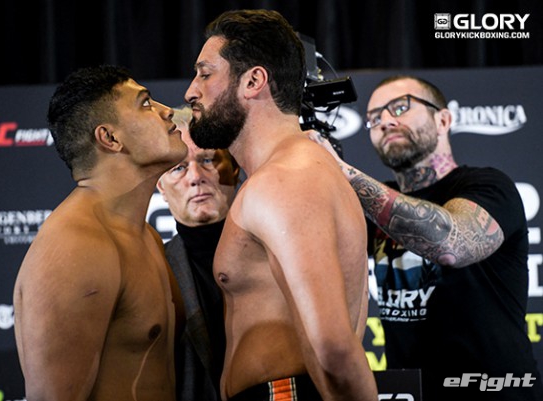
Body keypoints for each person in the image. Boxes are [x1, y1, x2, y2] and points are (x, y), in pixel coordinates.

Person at [307, 75, 543, 401]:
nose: (385, 122)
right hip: (411, 394)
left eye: (399, 107)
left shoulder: (489, 186)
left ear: (442, 119)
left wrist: (342, 172)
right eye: (374, 117)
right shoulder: (369, 206)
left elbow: (450, 245)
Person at [184, 9, 378, 401]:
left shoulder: (284, 180)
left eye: (205, 74)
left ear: (253, 81)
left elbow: (334, 349)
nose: (191, 91)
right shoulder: (292, 171)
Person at [13, 65, 188, 401]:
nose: (168, 112)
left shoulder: (145, 236)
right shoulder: (76, 247)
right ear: (110, 138)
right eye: (146, 103)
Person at [156, 106, 240, 401]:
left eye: (206, 160)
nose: (195, 177)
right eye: (178, 168)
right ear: (160, 187)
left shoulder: (276, 255)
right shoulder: (152, 270)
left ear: (235, 168)